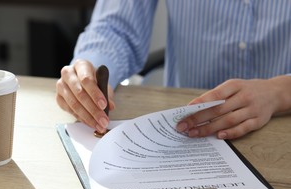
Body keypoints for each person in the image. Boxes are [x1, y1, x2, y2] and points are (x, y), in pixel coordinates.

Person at [56, 0, 291, 140]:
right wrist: (90, 71)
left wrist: (280, 92)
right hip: (186, 131)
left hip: (281, 129)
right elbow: (116, 28)